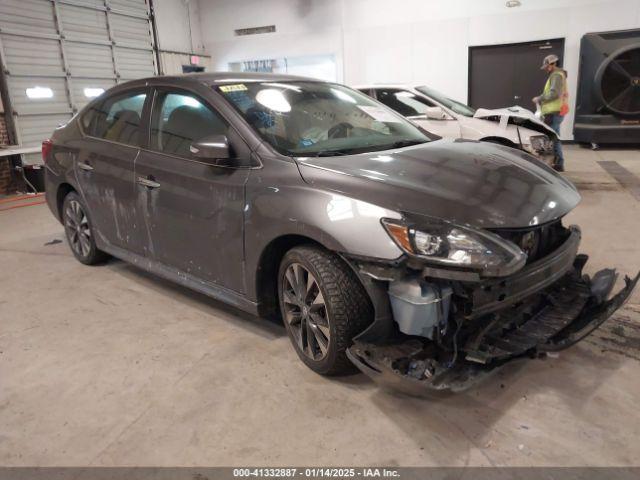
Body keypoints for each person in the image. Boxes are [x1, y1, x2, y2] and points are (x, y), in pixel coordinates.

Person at [533, 54, 568, 172]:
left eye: (547, 66)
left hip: (553, 112)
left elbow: (554, 94)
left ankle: (548, 165)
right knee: (555, 138)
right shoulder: (558, 75)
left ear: (554, 64)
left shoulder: (556, 75)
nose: (546, 69)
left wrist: (539, 98)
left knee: (548, 138)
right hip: (556, 112)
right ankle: (559, 164)